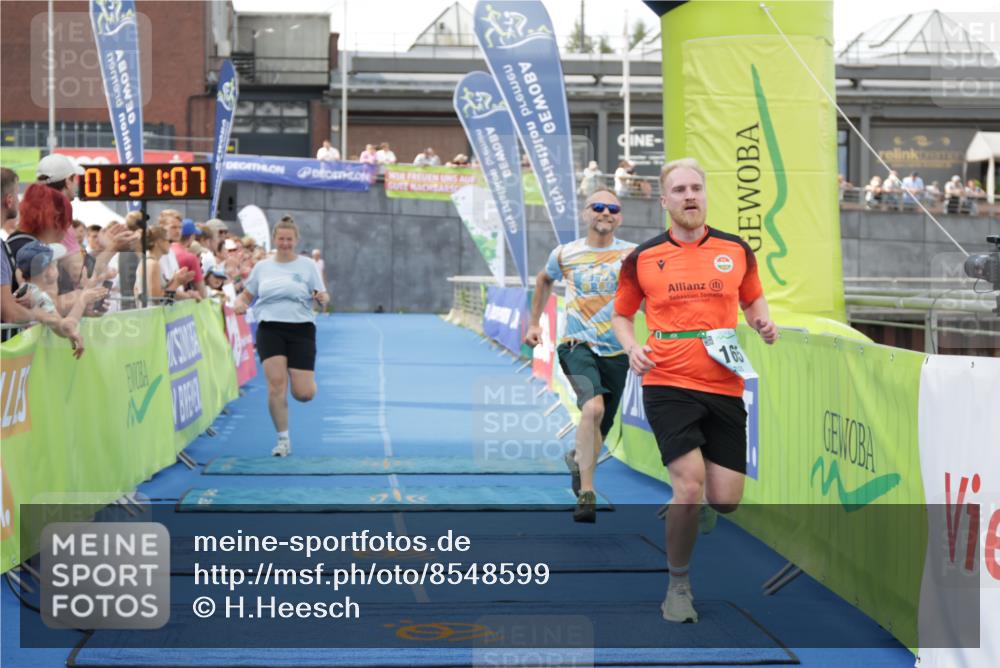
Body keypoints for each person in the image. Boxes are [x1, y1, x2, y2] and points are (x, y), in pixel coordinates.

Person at [611, 157, 778, 624]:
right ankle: (678, 588)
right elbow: (622, 315)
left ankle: (701, 503)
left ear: (705, 194)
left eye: (696, 188)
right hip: (667, 381)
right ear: (664, 201)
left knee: (725, 498)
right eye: (680, 190)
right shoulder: (641, 258)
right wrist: (631, 348)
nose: (690, 196)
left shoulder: (735, 249)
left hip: (724, 382)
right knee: (688, 487)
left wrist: (761, 320)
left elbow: (752, 298)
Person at [524, 188, 636, 523]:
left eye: (613, 209)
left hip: (617, 351)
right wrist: (534, 323)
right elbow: (544, 279)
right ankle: (587, 493)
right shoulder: (565, 254)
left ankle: (577, 457)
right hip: (576, 345)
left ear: (620, 216)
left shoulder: (633, 256)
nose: (606, 213)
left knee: (601, 423)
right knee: (593, 407)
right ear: (586, 213)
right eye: (598, 207)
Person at [233, 216, 329, 457]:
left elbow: (322, 296)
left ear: (296, 240)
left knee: (303, 394)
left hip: (301, 328)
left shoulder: (307, 266)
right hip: (270, 327)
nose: (285, 243)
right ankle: (283, 440)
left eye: (289, 239)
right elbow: (246, 295)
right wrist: (239, 303)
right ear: (275, 239)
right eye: (281, 239)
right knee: (276, 386)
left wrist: (322, 299)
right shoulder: (262, 267)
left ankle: (307, 382)